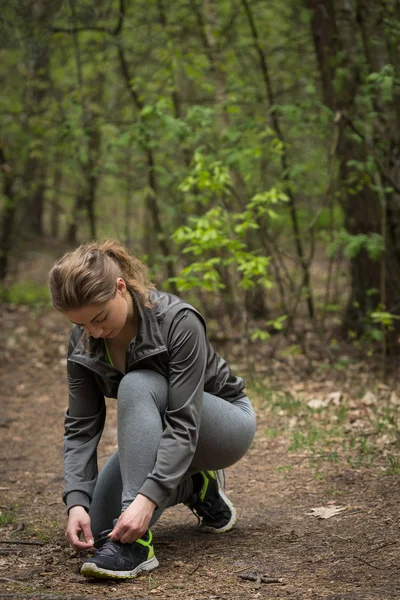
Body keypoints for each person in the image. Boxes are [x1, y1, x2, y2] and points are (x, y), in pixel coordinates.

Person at [48, 239, 256, 580]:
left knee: (138, 382)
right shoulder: (84, 340)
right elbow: (82, 426)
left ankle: (137, 547)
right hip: (169, 434)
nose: (95, 332)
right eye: (83, 324)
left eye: (100, 317)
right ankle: (196, 487)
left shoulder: (177, 321)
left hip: (224, 425)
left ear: (120, 288)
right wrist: (76, 502)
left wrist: (142, 503)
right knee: (103, 528)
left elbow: (184, 421)